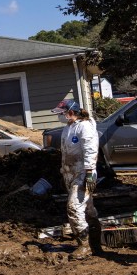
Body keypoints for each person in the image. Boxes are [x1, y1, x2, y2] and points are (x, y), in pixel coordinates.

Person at [53, 99, 100, 260]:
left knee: (73, 208)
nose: (61, 117)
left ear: (71, 113)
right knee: (88, 209)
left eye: (62, 114)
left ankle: (84, 245)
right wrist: (63, 172)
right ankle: (96, 243)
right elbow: (66, 153)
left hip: (83, 173)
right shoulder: (68, 128)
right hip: (70, 173)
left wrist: (89, 172)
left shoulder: (85, 127)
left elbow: (90, 150)